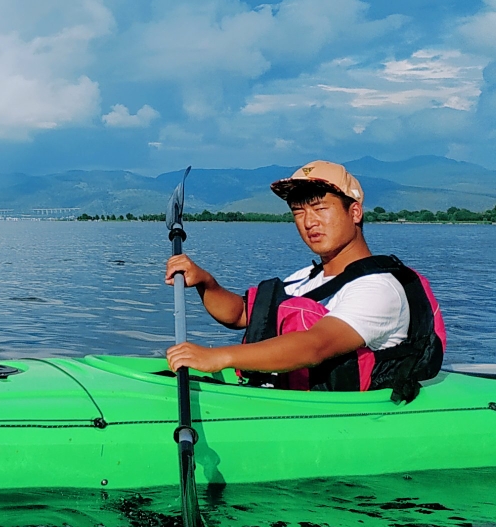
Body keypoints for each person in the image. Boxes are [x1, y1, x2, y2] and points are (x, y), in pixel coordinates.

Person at [164, 161, 445, 402]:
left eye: (320, 208)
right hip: (288, 398)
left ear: (355, 212)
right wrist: (205, 282)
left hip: (333, 415)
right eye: (298, 212)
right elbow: (240, 314)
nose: (309, 222)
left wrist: (220, 357)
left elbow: (315, 345)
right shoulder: (306, 277)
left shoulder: (378, 289)